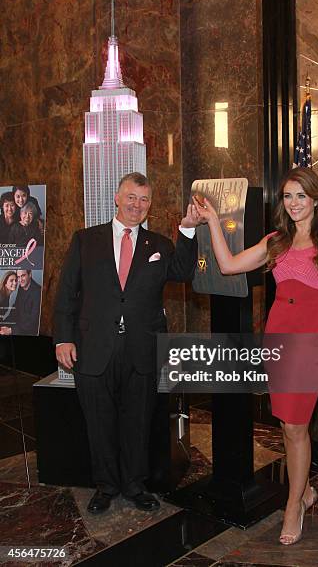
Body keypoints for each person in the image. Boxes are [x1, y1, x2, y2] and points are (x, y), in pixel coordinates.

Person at [193, 167, 318, 545]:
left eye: (301, 195)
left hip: (311, 343)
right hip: (277, 340)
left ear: (315, 199)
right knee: (286, 425)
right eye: (287, 196)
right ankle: (305, 490)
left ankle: (293, 505)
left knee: (297, 426)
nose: (294, 203)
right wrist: (214, 220)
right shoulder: (276, 241)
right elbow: (229, 265)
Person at [54, 172, 201, 515]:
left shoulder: (159, 245)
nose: (137, 205)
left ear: (150, 205)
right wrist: (63, 338)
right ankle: (105, 487)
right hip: (92, 348)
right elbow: (67, 294)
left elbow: (182, 271)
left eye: (144, 199)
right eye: (131, 197)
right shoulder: (85, 240)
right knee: (99, 422)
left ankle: (135, 486)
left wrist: (189, 227)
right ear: (117, 199)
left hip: (141, 350)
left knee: (137, 422)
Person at [13, 269, 42, 336]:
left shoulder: (38, 292)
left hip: (29, 334)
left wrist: (12, 330)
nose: (20, 280)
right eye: (18, 277)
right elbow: (16, 307)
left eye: (23, 276)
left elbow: (33, 322)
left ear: (30, 274)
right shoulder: (21, 287)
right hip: (18, 328)